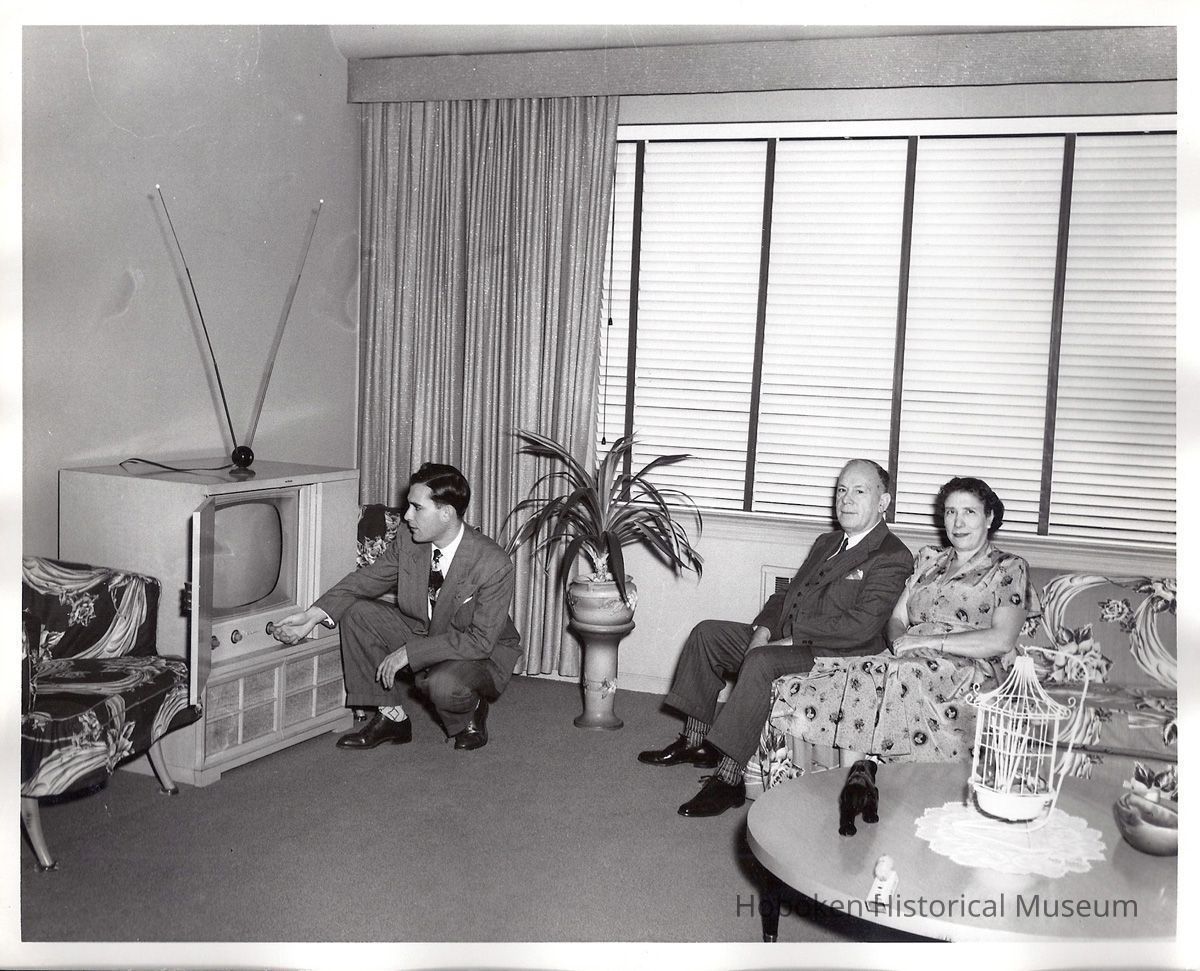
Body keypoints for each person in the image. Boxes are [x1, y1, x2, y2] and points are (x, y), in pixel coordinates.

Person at [637, 459, 914, 818]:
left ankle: (729, 778)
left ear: (883, 501)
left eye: (859, 491)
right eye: (841, 490)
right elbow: (786, 596)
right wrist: (764, 630)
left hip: (838, 654)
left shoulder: (892, 555)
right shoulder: (827, 541)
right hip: (789, 637)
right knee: (708, 633)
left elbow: (861, 626)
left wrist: (790, 639)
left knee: (761, 661)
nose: (846, 499)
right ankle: (695, 741)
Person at [751, 475, 1038, 776]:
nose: (958, 522)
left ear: (989, 517)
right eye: (951, 512)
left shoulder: (1008, 566)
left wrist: (926, 643)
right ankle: (853, 782)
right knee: (846, 673)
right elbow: (897, 618)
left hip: (969, 665)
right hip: (910, 656)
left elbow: (1002, 639)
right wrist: (902, 642)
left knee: (882, 676)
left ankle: (870, 781)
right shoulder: (929, 560)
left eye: (969, 512)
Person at [272, 462, 521, 752]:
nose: (406, 516)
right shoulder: (409, 539)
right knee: (356, 613)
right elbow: (366, 580)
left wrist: (408, 653)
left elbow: (479, 641)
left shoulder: (493, 563)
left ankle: (471, 710)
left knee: (441, 685)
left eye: (417, 508)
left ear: (446, 513)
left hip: (478, 654)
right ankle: (392, 716)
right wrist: (312, 616)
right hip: (426, 630)